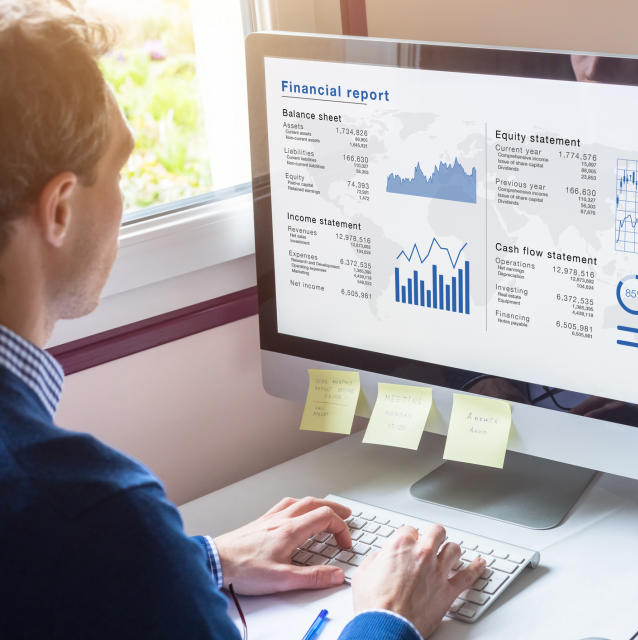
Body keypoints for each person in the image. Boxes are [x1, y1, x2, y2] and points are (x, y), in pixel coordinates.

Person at [0, 2, 485, 638]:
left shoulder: (86, 531)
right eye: (119, 171)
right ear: (59, 208)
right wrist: (385, 617)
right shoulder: (91, 513)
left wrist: (195, 562)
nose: (125, 200)